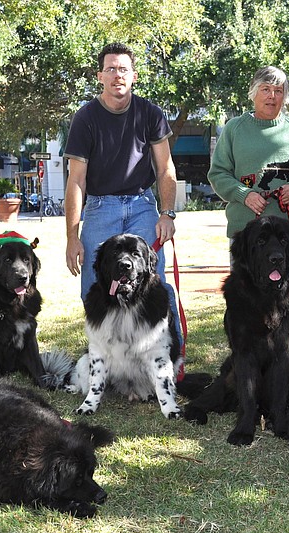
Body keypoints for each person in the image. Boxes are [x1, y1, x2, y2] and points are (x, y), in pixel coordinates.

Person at [63, 42, 180, 339]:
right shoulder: (85, 118)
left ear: (134, 76)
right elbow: (76, 180)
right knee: (94, 283)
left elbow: (165, 169)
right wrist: (72, 236)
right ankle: (105, 357)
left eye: (123, 69)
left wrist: (167, 214)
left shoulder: (150, 114)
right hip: (101, 208)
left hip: (142, 205)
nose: (118, 75)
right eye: (111, 69)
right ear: (100, 75)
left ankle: (170, 356)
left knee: (155, 280)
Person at [208, 65, 289, 252]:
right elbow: (218, 174)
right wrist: (244, 195)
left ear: (284, 97)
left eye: (278, 91)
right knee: (243, 282)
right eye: (266, 89)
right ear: (253, 92)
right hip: (245, 233)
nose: (272, 96)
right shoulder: (234, 129)